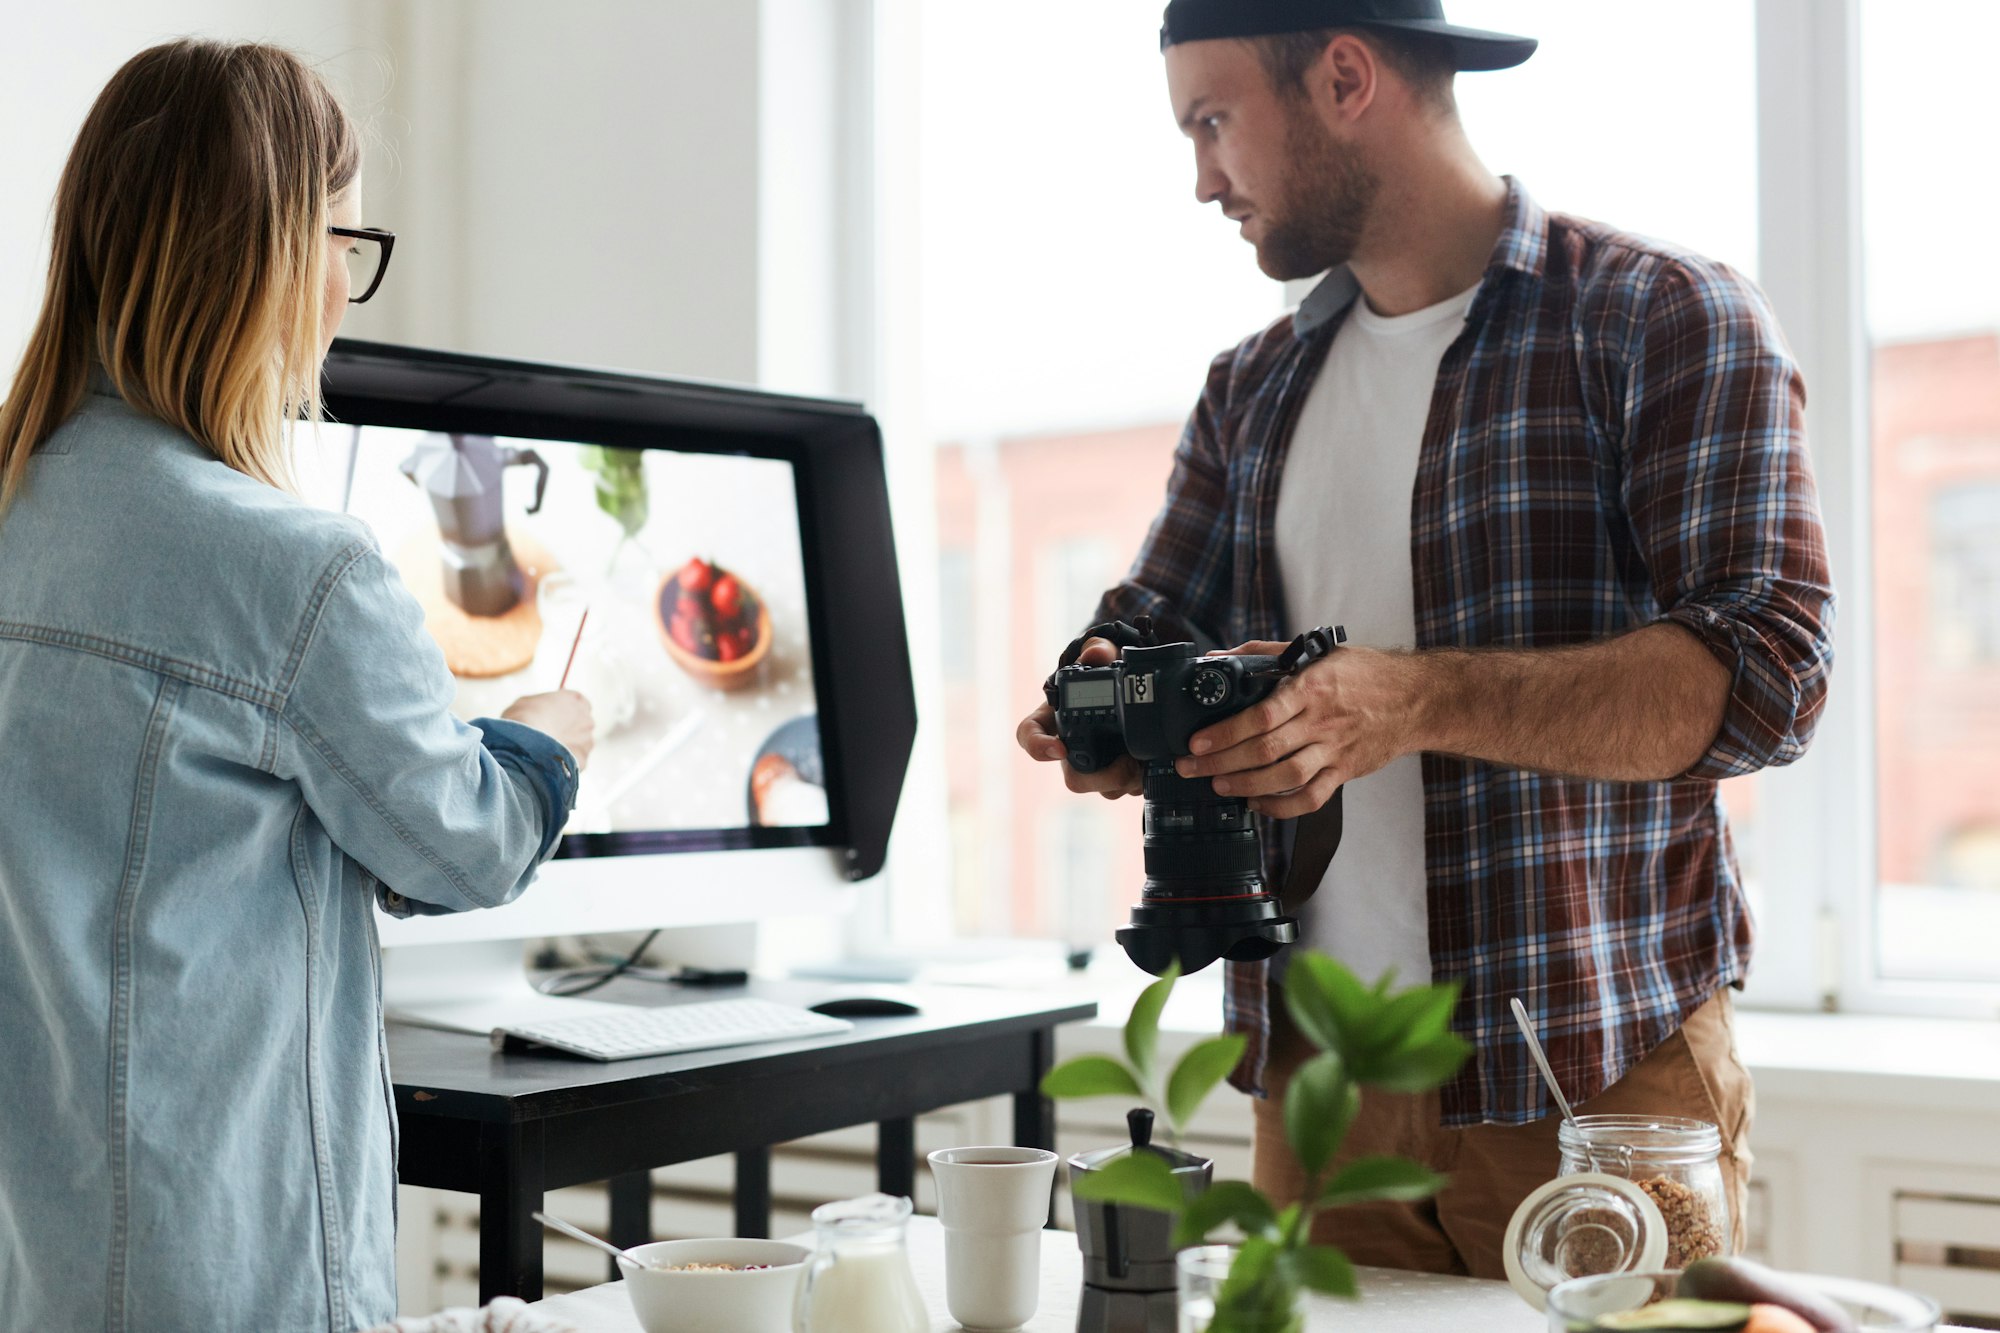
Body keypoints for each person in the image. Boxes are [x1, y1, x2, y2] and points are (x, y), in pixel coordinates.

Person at [1018, 0, 1835, 1279]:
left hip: (1595, 1068)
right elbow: (1145, 623)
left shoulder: (1661, 317)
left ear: (1344, 78)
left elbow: (1770, 675)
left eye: (1214, 122)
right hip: (1318, 1085)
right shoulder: (1250, 387)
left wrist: (1409, 701)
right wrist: (1102, 706)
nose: (1200, 179)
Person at [0, 40, 594, 1331]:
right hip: (225, 1273)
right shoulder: (294, 568)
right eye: (343, 236)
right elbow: (461, 847)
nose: (345, 284)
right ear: (263, 253)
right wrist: (547, 741)